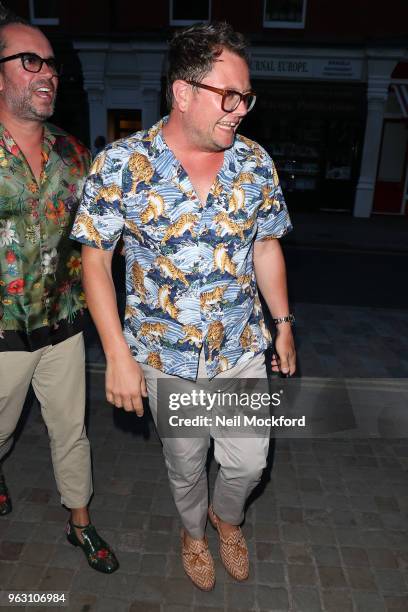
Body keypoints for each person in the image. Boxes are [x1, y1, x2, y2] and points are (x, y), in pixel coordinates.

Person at [71, 21, 295, 590]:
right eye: (230, 95)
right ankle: (194, 532)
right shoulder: (121, 166)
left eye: (246, 97)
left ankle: (228, 519)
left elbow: (266, 245)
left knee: (248, 464)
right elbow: (95, 263)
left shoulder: (254, 163)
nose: (241, 109)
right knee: (186, 464)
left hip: (240, 348)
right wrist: (117, 357)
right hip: (164, 360)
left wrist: (284, 321)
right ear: (183, 92)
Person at [0, 8, 118, 574]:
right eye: (30, 61)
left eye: (50, 63)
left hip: (65, 326)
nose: (46, 72)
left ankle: (80, 523)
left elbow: (101, 241)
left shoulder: (75, 155)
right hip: (1, 337)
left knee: (72, 432)